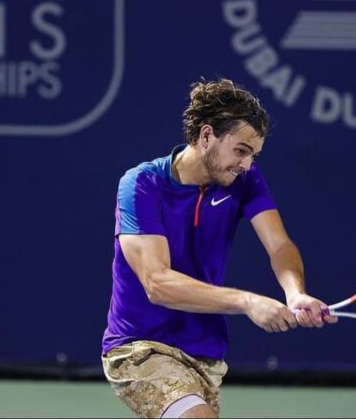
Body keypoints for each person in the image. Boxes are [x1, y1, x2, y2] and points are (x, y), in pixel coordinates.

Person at [102, 78, 336, 418]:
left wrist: (295, 292)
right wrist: (248, 302)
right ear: (207, 135)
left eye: (253, 155)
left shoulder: (245, 180)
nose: (247, 164)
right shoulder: (141, 184)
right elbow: (157, 282)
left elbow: (279, 245)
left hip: (204, 352)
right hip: (140, 348)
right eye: (241, 151)